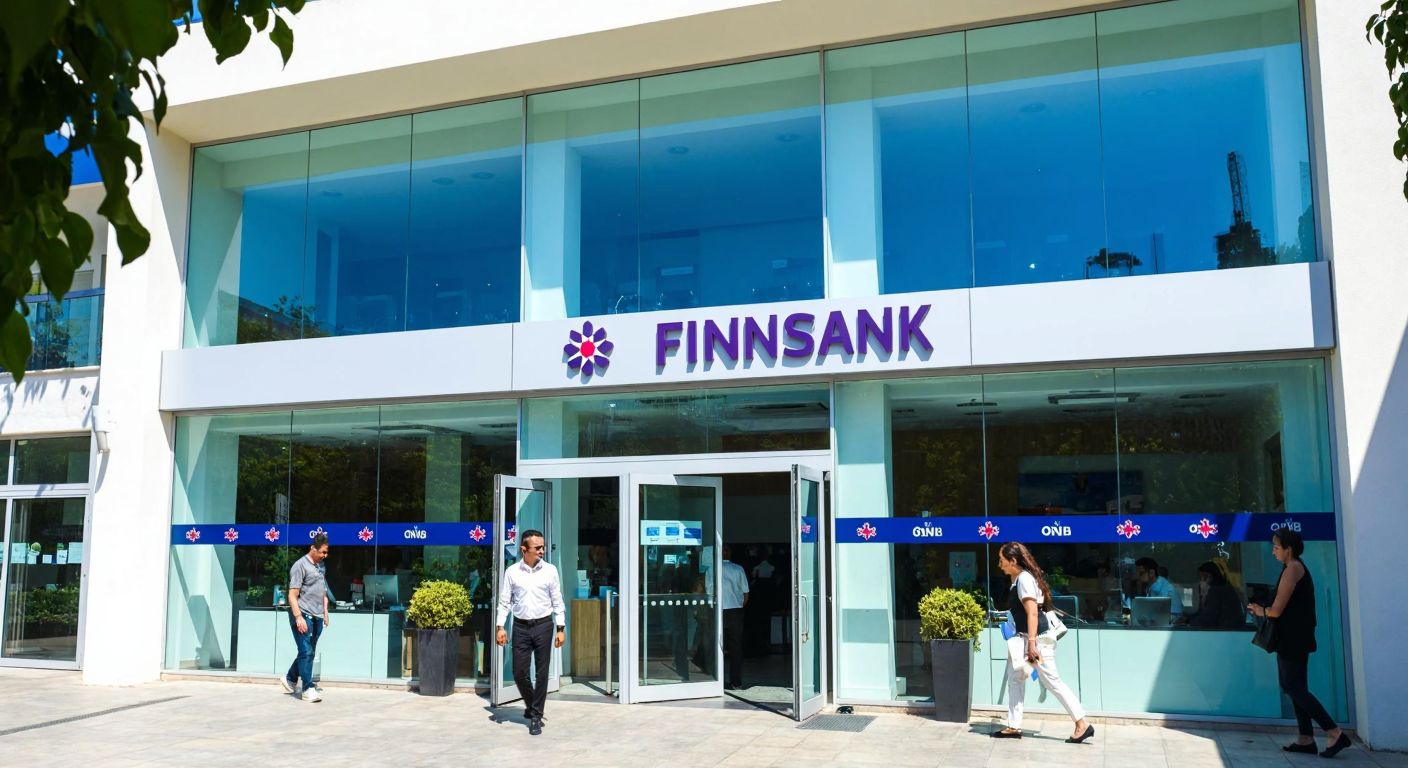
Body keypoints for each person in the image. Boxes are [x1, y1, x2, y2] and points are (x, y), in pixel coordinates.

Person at [1248, 528, 1351, 758]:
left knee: (1292, 686)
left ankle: (1334, 732)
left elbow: (1276, 611)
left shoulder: (1293, 569)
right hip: (1294, 636)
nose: (1273, 551)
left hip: (1293, 638)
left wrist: (1260, 610)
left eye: (1276, 547)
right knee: (1295, 686)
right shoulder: (1292, 567)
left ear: (1289, 549)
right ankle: (1306, 738)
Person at [991, 542, 1094, 743]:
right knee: (1015, 678)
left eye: (1002, 560)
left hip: (1037, 641)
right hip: (1025, 639)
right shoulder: (1017, 579)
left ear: (1013, 561)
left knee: (1051, 681)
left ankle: (1082, 723)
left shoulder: (1024, 579)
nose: (999, 565)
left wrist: (1032, 644)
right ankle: (1014, 725)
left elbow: (1032, 613)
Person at [495, 529, 565, 736]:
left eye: (543, 547)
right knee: (519, 672)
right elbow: (505, 601)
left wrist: (561, 628)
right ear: (524, 549)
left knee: (542, 673)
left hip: (544, 625)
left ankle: (535, 715)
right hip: (520, 627)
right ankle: (532, 703)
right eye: (538, 547)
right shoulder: (512, 572)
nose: (542, 550)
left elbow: (557, 600)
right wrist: (500, 627)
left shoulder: (550, 571)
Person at [281, 534, 330, 703]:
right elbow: (292, 595)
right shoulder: (300, 566)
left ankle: (289, 678)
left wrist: (325, 612)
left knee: (308, 652)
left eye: (326, 552)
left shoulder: (321, 566)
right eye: (322, 552)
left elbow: (322, 591)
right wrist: (298, 617)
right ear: (313, 548)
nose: (325, 555)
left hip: (317, 616)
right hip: (303, 614)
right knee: (306, 651)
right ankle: (307, 688)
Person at [720, 545, 749, 690]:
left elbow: (708, 590)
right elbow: (746, 593)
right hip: (735, 610)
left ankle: (715, 680)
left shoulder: (712, 569)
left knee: (718, 645)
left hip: (719, 610)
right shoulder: (738, 569)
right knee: (735, 646)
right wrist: (740, 605)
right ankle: (736, 681)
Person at [1185, 561, 1245, 629]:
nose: (1199, 582)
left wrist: (1188, 622)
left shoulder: (1216, 592)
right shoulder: (1226, 590)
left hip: (1225, 632)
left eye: (1201, 577)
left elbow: (1208, 620)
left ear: (1209, 578)